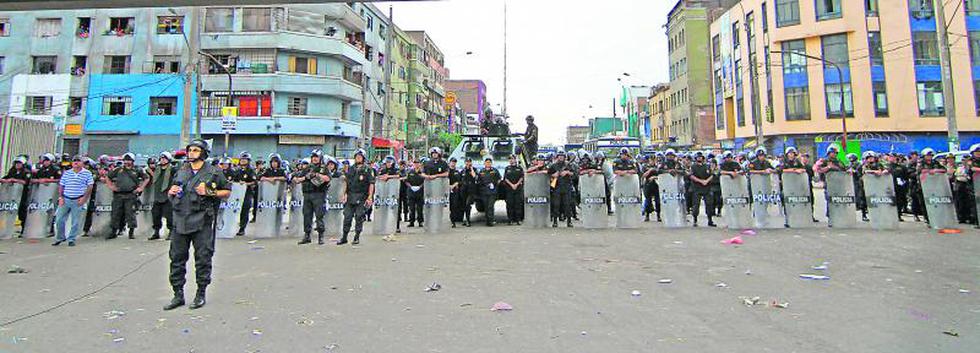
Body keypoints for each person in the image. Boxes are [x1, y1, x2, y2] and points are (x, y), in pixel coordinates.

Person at [164, 139, 231, 311]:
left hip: (202, 219)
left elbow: (227, 192)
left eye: (195, 150)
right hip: (180, 218)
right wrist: (172, 191)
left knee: (203, 257)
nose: (191, 153)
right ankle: (178, 294)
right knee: (177, 258)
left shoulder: (213, 172)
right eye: (190, 150)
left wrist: (209, 192)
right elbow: (174, 188)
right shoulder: (182, 170)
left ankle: (200, 293)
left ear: (203, 153)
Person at [52, 155, 94, 246]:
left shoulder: (87, 173)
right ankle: (60, 237)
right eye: (74, 161)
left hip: (78, 199)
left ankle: (71, 239)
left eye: (78, 161)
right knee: (59, 219)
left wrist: (84, 198)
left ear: (82, 163)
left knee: (75, 221)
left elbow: (90, 186)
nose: (76, 162)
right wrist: (61, 197)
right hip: (66, 198)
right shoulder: (67, 173)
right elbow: (61, 186)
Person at [106, 153, 147, 239]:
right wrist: (111, 186)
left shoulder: (137, 170)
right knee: (115, 214)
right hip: (118, 195)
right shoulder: (118, 170)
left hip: (131, 195)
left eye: (129, 160)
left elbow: (146, 178)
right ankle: (113, 231)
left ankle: (131, 233)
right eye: (125, 160)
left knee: (130, 214)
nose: (127, 162)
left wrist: (141, 188)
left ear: (132, 161)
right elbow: (108, 177)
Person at [293, 150, 330, 245]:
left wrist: (317, 175)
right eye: (313, 156)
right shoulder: (307, 168)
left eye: (316, 156)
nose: (314, 158)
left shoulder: (323, 168)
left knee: (319, 216)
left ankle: (321, 236)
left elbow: (328, 178)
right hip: (307, 195)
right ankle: (307, 235)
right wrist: (304, 178)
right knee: (307, 215)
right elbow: (297, 179)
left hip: (319, 194)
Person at [338, 149, 375, 245]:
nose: (358, 158)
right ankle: (344, 237)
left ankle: (356, 236)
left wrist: (370, 197)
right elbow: (346, 181)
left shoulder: (368, 169)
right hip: (351, 196)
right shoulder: (351, 168)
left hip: (362, 196)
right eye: (356, 156)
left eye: (360, 156)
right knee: (347, 216)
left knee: (359, 216)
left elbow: (371, 184)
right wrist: (344, 194)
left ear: (363, 158)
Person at [150, 152, 176, 240]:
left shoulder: (172, 170)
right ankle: (156, 232)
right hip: (157, 196)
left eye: (164, 158)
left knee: (169, 216)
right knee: (156, 215)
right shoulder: (157, 170)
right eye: (161, 159)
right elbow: (147, 169)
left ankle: (171, 232)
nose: (162, 160)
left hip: (167, 196)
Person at [2, 156, 31, 232]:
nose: (17, 165)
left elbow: (25, 182)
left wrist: (14, 180)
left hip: (22, 194)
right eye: (16, 163)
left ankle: (24, 229)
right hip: (11, 194)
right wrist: (5, 180)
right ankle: (6, 228)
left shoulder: (26, 172)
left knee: (22, 212)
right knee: (9, 211)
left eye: (19, 163)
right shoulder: (12, 171)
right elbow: (6, 178)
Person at [688, 152, 716, 227]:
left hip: (707, 187)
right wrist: (701, 181)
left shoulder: (707, 166)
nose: (699, 158)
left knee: (709, 204)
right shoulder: (693, 166)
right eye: (698, 157)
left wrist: (706, 181)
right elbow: (691, 176)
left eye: (701, 157)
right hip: (696, 187)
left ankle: (710, 220)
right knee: (696, 205)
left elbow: (712, 175)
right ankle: (695, 220)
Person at [233, 152, 258, 237]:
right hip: (237, 194)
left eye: (245, 159)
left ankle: (242, 228)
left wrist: (246, 183)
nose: (243, 161)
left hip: (247, 193)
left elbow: (255, 182)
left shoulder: (251, 170)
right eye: (242, 159)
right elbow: (233, 180)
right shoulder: (237, 170)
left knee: (245, 209)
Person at [548, 151, 575, 228]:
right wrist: (554, 175)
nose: (561, 157)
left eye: (562, 156)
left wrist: (567, 172)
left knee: (567, 205)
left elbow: (574, 173)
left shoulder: (568, 164)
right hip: (557, 187)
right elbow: (548, 174)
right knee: (556, 205)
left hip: (567, 187)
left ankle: (569, 222)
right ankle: (555, 222)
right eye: (559, 156)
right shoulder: (553, 165)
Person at [477, 157, 501, 226]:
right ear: (484, 163)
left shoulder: (495, 170)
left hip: (492, 192)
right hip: (484, 192)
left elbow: (499, 179)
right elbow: (479, 181)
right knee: (486, 206)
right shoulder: (481, 171)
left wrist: (495, 184)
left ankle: (491, 221)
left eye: (489, 162)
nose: (488, 163)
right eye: (487, 162)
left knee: (490, 206)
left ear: (491, 163)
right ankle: (487, 220)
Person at [502, 154, 524, 225]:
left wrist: (516, 184)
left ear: (515, 159)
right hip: (509, 189)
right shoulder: (507, 168)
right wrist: (512, 185)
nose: (511, 160)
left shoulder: (519, 168)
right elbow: (505, 178)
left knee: (518, 204)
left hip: (518, 189)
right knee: (510, 204)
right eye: (510, 159)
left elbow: (521, 177)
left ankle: (518, 220)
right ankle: (510, 220)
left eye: (512, 159)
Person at [404, 160, 425, 228]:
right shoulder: (410, 172)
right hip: (411, 192)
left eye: (417, 163)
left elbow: (425, 181)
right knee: (411, 208)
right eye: (415, 163)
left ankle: (420, 222)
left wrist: (419, 187)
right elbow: (406, 181)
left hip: (420, 192)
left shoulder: (422, 172)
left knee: (420, 209)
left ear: (420, 164)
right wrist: (411, 187)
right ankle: (411, 222)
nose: (416, 164)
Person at [460, 157, 478, 227]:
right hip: (464, 190)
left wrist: (471, 169)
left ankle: (468, 220)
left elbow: (475, 176)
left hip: (471, 190)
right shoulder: (463, 171)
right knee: (464, 205)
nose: (468, 163)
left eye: (469, 162)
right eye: (467, 162)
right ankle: (466, 219)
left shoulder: (474, 170)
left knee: (468, 204)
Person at [448, 158, 463, 228]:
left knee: (454, 206)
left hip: (454, 191)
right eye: (452, 162)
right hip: (446, 190)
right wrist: (449, 186)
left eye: (454, 162)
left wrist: (454, 185)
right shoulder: (446, 171)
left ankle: (453, 221)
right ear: (449, 162)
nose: (453, 163)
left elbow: (460, 181)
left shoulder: (457, 172)